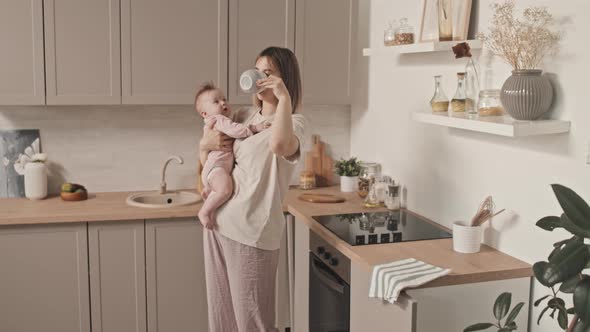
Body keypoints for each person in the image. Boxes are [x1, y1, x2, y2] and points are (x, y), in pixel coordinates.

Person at [198, 46, 306, 331]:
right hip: (219, 226)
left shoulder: (294, 123)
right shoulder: (244, 115)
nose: (259, 78)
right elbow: (211, 156)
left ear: (284, 79)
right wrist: (202, 147)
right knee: (222, 319)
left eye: (268, 73)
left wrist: (284, 99)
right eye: (257, 70)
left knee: (253, 324)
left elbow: (280, 145)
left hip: (252, 233)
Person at [194, 82, 270, 229]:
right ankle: (204, 212)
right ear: (204, 113)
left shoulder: (211, 122)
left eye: (224, 99)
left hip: (214, 169)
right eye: (216, 101)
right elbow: (236, 131)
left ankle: (210, 191)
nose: (223, 103)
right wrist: (254, 128)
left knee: (221, 188)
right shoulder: (219, 120)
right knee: (225, 190)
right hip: (217, 168)